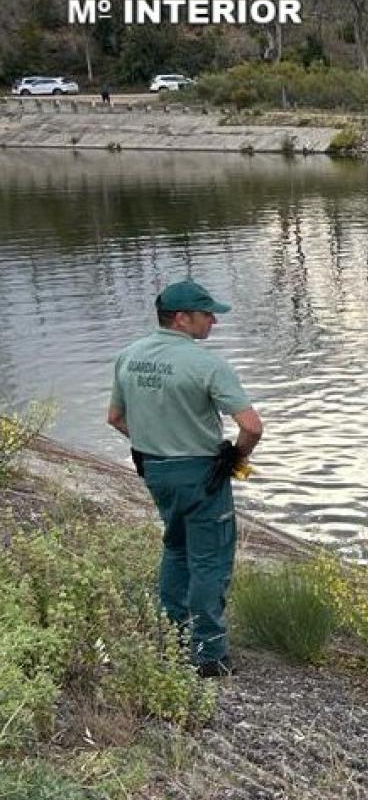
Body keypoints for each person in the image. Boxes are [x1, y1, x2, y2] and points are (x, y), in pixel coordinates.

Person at [107, 279, 263, 678]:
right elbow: (252, 426)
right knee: (210, 560)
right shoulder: (206, 365)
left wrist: (154, 443)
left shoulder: (128, 356)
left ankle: (172, 636)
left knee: (176, 547)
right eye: (206, 313)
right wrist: (236, 456)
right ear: (181, 318)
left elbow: (115, 419)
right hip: (202, 476)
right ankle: (209, 654)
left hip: (155, 471)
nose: (213, 320)